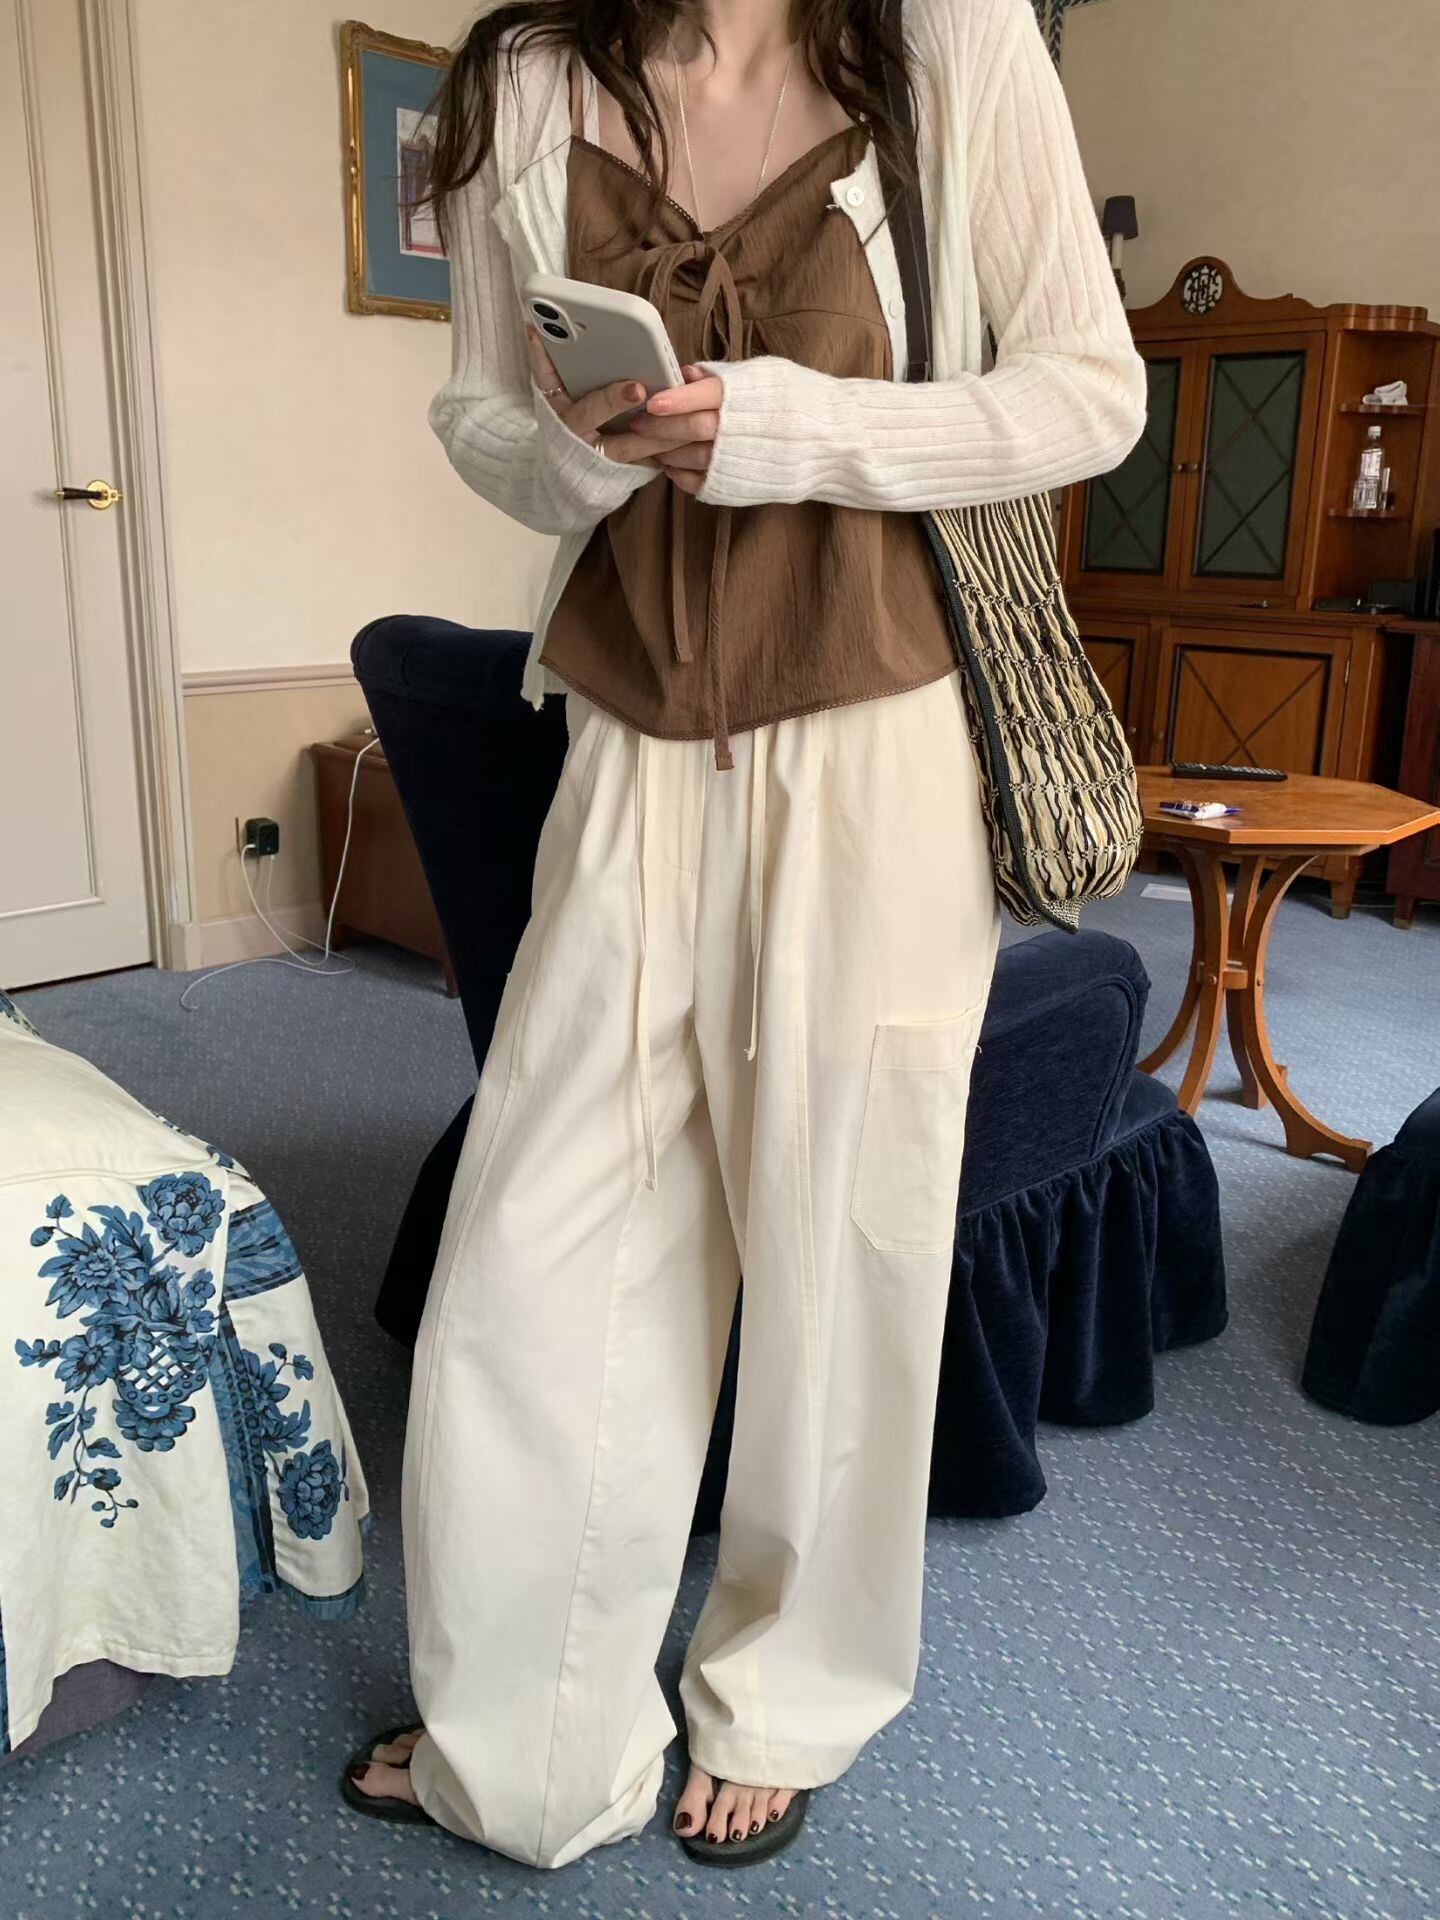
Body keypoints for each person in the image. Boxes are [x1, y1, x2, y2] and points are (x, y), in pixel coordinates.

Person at [341, 0, 1146, 1870]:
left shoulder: (951, 43)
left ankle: (788, 1693)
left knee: (843, 1240)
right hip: (628, 738)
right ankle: (530, 1730)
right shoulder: (529, 77)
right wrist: (588, 450)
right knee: (538, 1248)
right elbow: (479, 409)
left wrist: (787, 426)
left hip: (880, 741)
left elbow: (1087, 390)